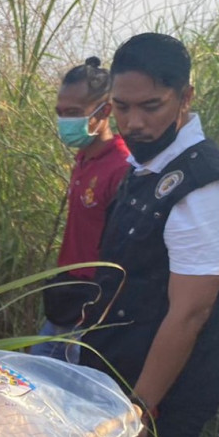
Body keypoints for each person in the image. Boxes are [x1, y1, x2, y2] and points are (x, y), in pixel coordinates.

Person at [80, 33, 219, 437]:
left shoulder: (203, 185)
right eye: (122, 107)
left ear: (185, 97)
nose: (134, 122)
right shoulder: (146, 168)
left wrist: (138, 412)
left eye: (151, 106)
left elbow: (190, 313)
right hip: (120, 379)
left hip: (160, 398)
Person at [32, 56, 130, 363]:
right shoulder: (84, 158)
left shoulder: (121, 166)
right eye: (60, 113)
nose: (65, 122)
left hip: (92, 303)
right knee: (38, 365)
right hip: (68, 294)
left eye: (74, 113)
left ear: (105, 111)